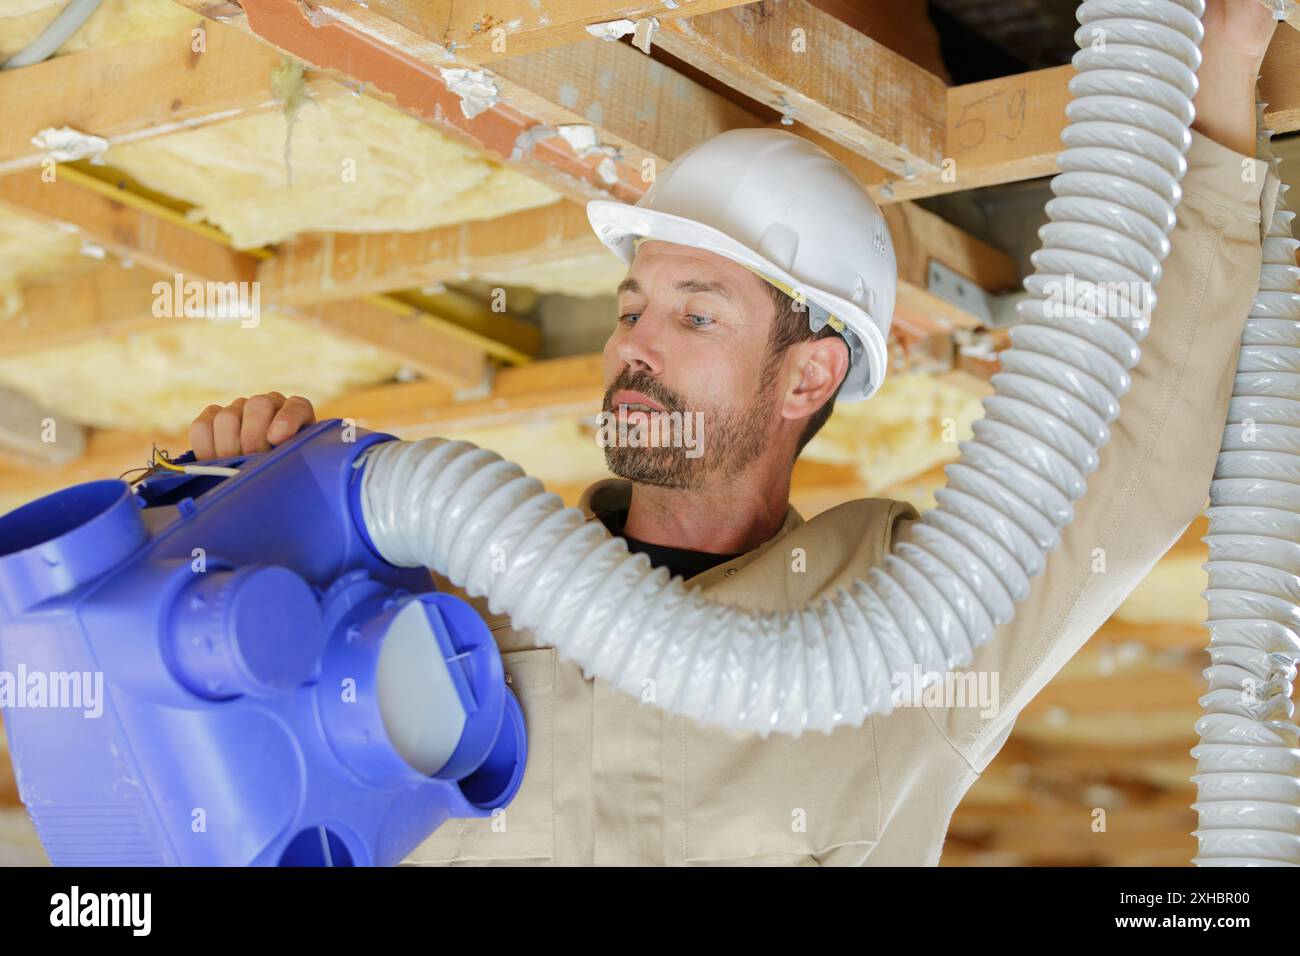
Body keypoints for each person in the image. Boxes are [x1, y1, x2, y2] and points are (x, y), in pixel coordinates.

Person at [189, 0, 1283, 865]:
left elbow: (1133, 445)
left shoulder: (906, 623)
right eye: (631, 308)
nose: (634, 346)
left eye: (694, 313)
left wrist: (1223, 65)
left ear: (809, 372)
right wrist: (224, 520)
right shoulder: (451, 598)